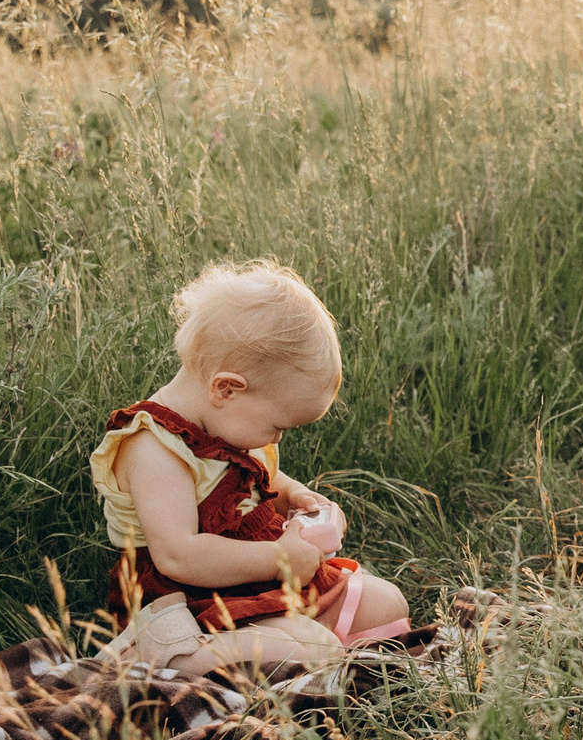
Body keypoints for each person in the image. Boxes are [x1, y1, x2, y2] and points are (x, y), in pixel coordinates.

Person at [89, 261, 409, 676]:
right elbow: (178, 556)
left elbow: (257, 478)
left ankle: (300, 644)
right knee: (316, 649)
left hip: (257, 579)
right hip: (193, 599)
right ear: (227, 389)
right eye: (278, 426)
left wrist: (291, 495)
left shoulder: (225, 421)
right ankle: (168, 653)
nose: (277, 439)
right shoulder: (154, 448)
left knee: (387, 604)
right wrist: (280, 560)